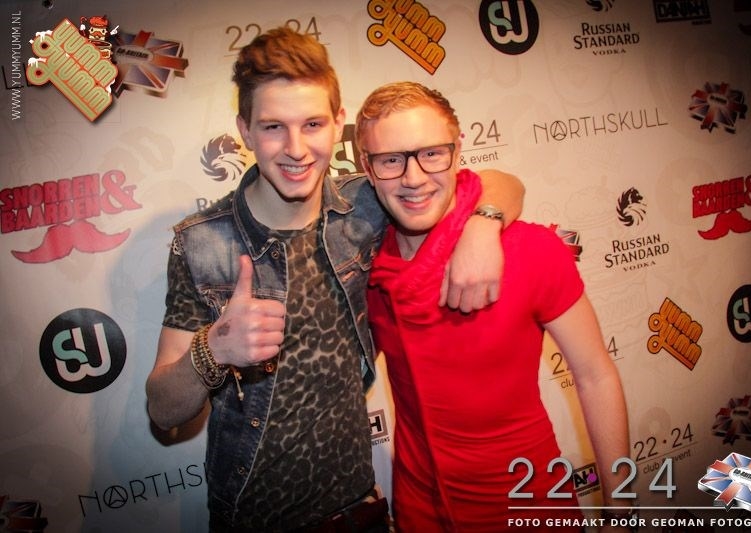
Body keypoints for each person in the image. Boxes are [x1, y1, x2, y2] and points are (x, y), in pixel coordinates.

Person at [144, 28, 523, 532]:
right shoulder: (201, 243)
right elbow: (163, 410)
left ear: (337, 123)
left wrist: (483, 225)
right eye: (273, 127)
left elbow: (498, 182)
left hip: (360, 508)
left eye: (313, 124)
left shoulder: (368, 204)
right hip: (253, 520)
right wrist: (213, 349)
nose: (296, 149)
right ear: (245, 131)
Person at [355, 81, 632, 532]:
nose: (414, 177)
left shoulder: (530, 248)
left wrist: (621, 507)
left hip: (528, 504)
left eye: (432, 153)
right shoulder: (362, 270)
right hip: (418, 512)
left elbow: (595, 374)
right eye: (390, 160)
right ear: (367, 168)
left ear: (458, 151)